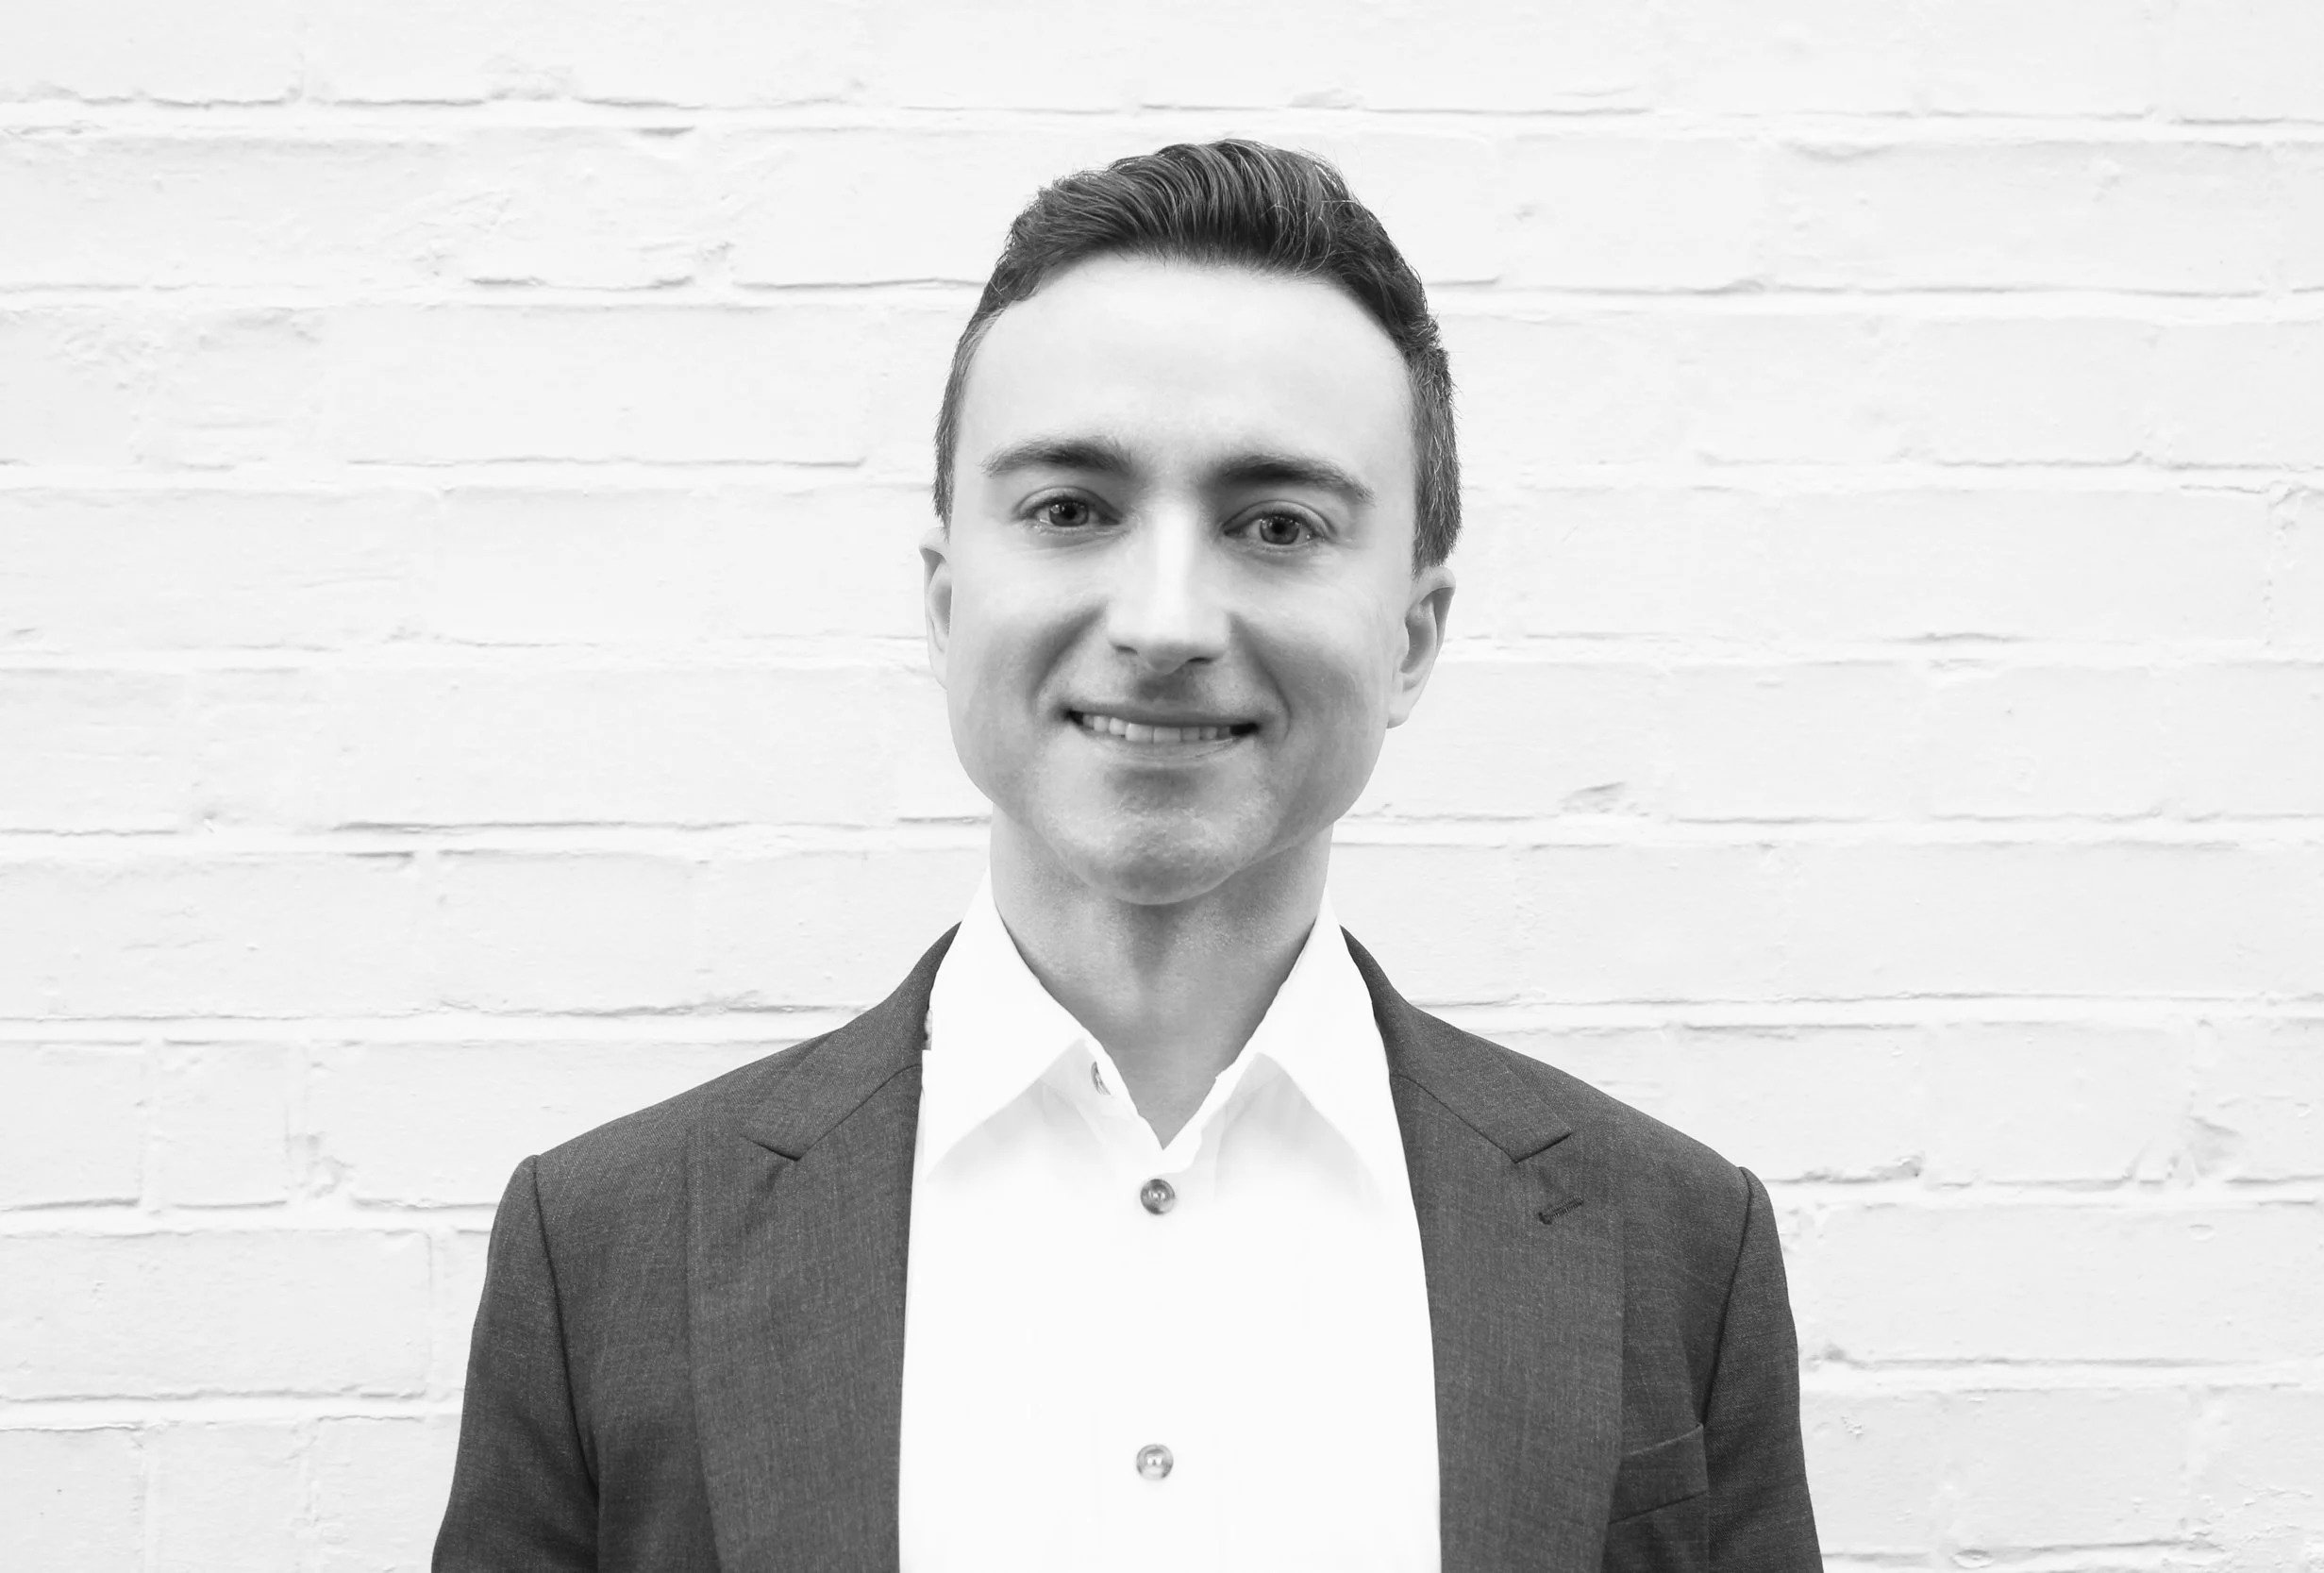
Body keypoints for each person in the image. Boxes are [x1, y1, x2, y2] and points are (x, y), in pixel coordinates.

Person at [433, 139, 1820, 1573]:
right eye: (1072, 509)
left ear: (1410, 636)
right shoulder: (601, 1250)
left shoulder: (1673, 1248)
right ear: (944, 596)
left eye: (1277, 524)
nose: (1164, 621)